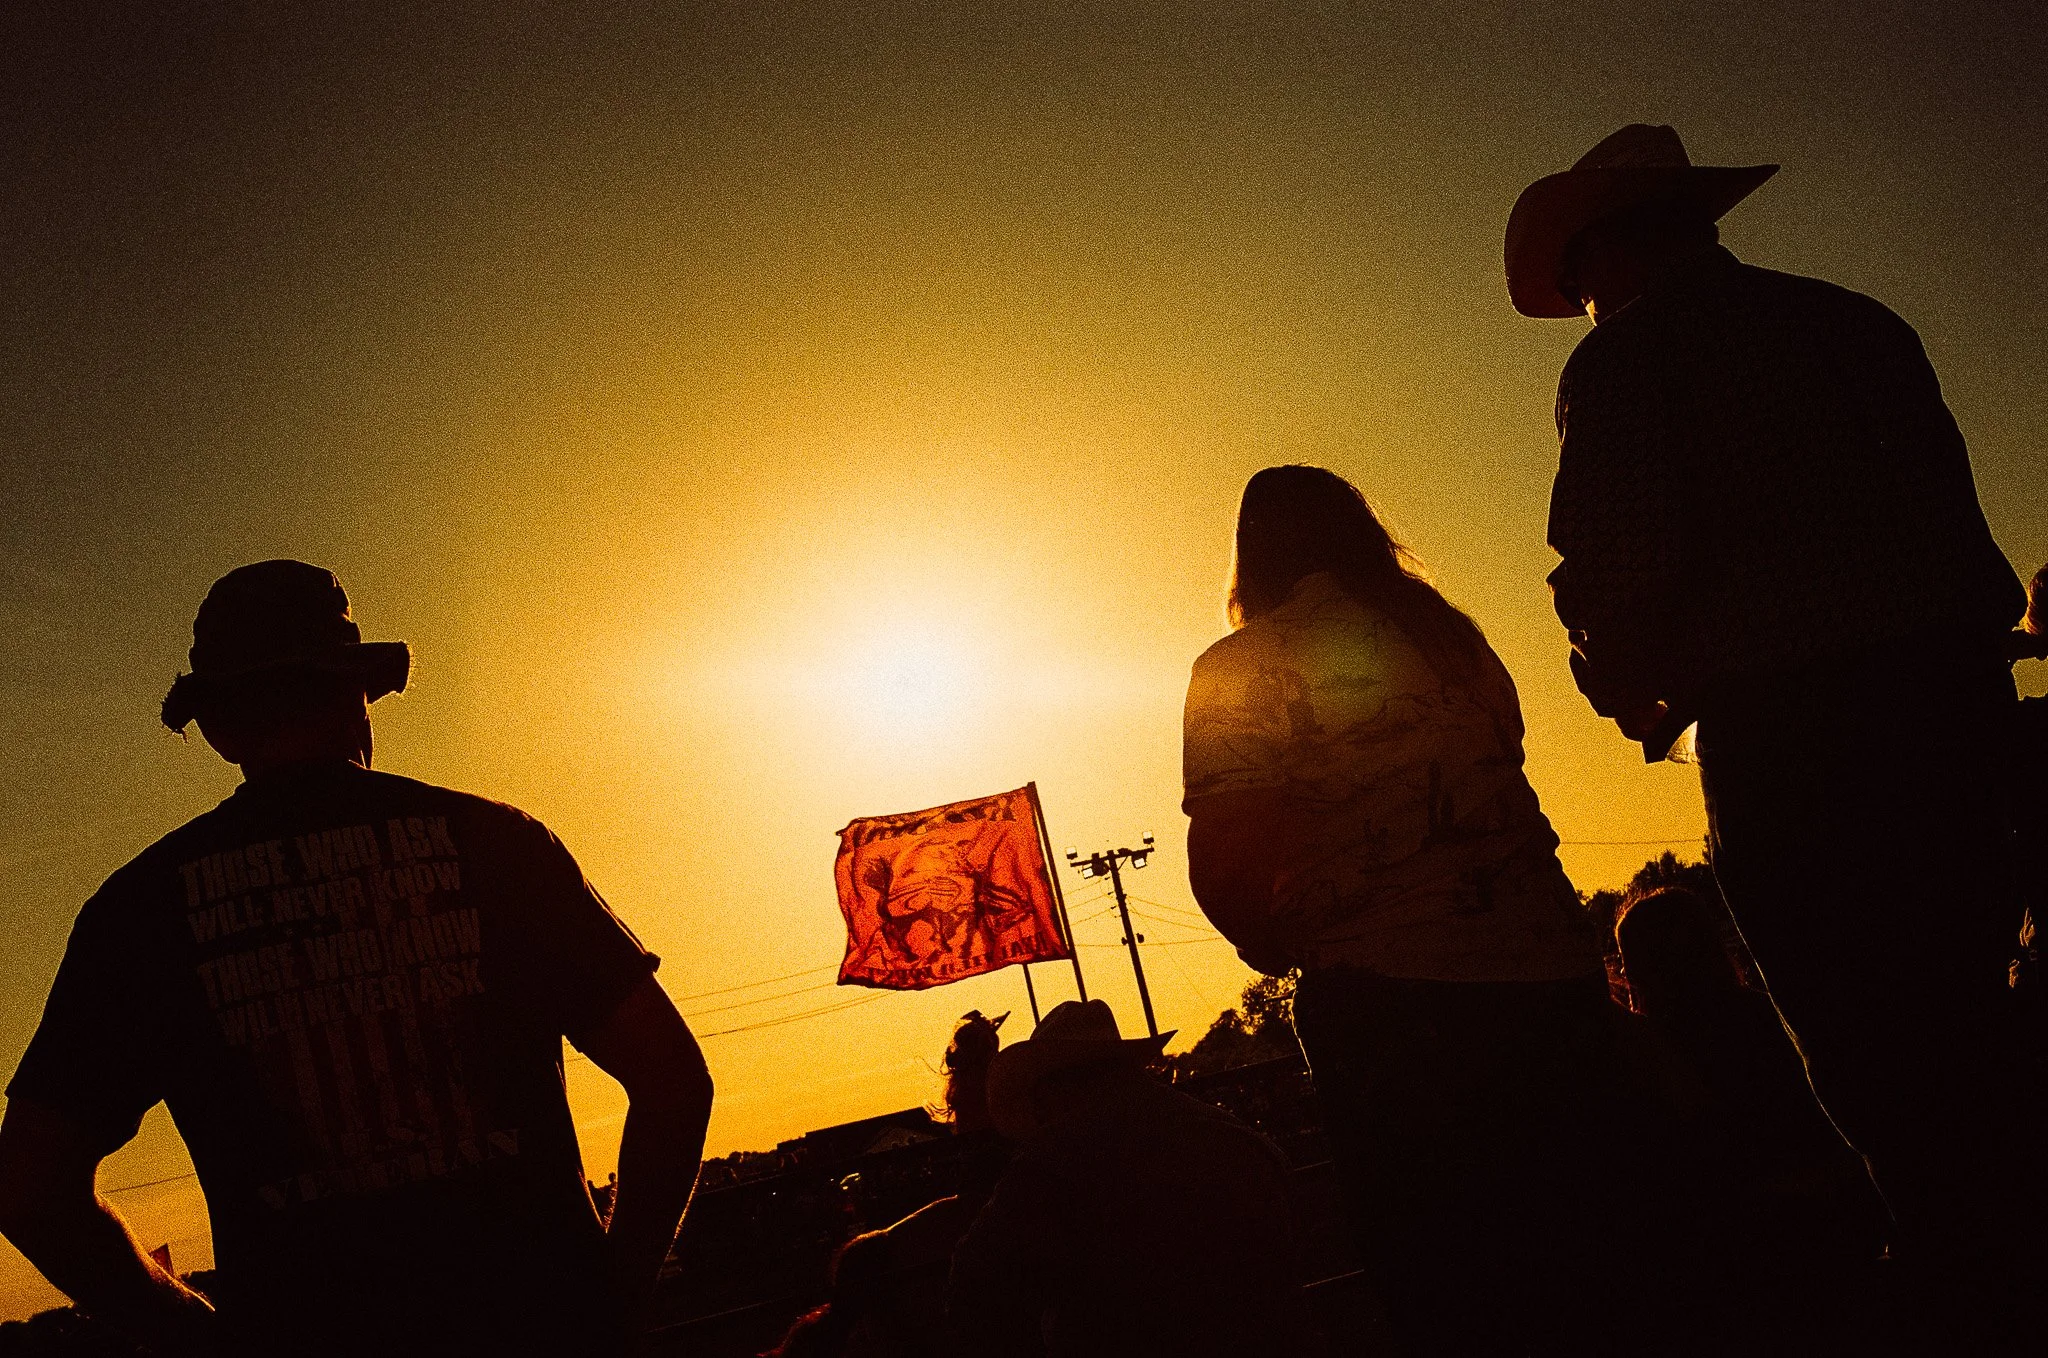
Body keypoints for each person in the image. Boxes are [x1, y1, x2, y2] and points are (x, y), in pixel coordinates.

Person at [1507, 124, 2039, 1347]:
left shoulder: (1630, 361)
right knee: (1967, 999)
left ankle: (1964, 1277)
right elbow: (1957, 532)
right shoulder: (1854, 322)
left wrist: (1625, 687)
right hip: (1954, 704)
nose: (1583, 306)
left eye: (1579, 281)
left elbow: (1615, 564)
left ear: (1607, 250)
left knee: (1863, 1033)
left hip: (1796, 737)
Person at [0, 561, 714, 1357]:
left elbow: (31, 1188)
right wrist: (614, 1294)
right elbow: (673, 1081)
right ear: (359, 695)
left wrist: (196, 1334)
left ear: (218, 729)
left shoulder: (137, 915)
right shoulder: (499, 845)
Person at [1181, 466, 1664, 1356]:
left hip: (1392, 1001)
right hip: (1550, 974)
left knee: (1451, 1281)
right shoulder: (1450, 641)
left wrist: (1272, 945)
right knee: (1596, 1263)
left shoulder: (1241, 668)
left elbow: (1227, 848)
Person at [945, 999, 1317, 1357]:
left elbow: (976, 1276)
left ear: (1057, 1088)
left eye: (1038, 1100)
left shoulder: (1056, 1161)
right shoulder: (1226, 1133)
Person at [1615, 888, 1886, 1348]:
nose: (1621, 973)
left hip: (1740, 1249)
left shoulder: (1651, 1050)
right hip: (1828, 1230)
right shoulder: (1768, 1014)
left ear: (1645, 968)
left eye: (1626, 960)